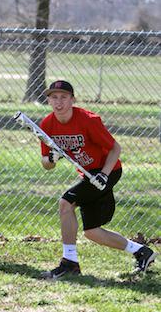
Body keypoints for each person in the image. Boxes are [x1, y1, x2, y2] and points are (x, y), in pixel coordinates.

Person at [39, 80, 157, 279]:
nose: (58, 102)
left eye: (63, 97)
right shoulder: (47, 124)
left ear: (72, 99)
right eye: (54, 97)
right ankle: (142, 252)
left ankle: (69, 263)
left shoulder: (88, 120)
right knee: (92, 232)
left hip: (107, 170)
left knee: (65, 203)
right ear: (48, 100)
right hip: (87, 174)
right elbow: (46, 164)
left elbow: (115, 148)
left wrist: (104, 174)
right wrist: (51, 158)